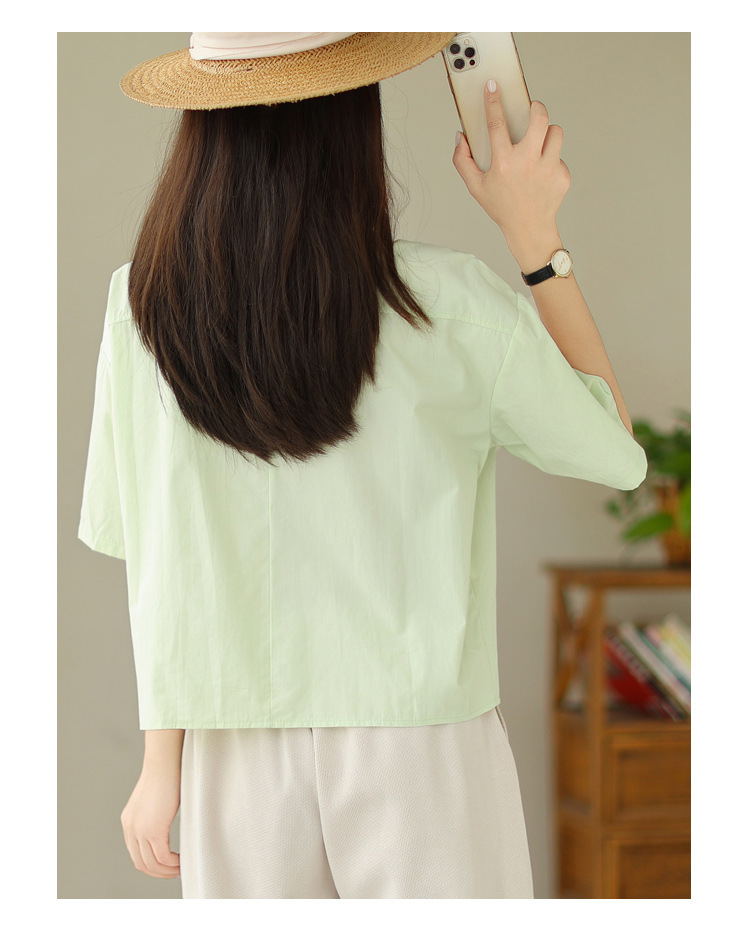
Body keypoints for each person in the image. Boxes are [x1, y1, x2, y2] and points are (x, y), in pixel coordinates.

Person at [78, 32, 647, 899]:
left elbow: (163, 559)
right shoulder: (446, 304)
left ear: (203, 126)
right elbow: (615, 453)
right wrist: (536, 237)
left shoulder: (141, 306)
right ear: (353, 122)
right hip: (425, 749)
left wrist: (164, 763)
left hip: (232, 752)